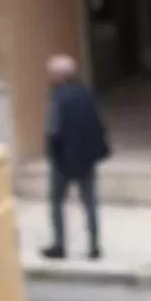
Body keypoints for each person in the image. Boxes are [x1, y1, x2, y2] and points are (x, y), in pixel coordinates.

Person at [42, 54, 109, 261]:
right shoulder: (88, 93)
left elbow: (53, 129)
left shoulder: (57, 98)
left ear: (60, 75)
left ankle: (59, 246)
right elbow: (100, 123)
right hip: (86, 158)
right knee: (89, 202)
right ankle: (94, 247)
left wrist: (51, 153)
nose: (49, 77)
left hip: (62, 160)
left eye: (52, 74)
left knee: (56, 202)